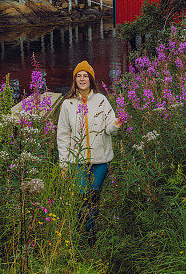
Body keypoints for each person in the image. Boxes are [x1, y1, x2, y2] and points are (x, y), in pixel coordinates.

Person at [56, 60, 122, 246]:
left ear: (91, 79)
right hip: (77, 161)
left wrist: (116, 125)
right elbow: (63, 136)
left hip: (101, 160)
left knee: (94, 194)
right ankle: (83, 230)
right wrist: (64, 164)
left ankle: (89, 234)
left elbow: (110, 129)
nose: (82, 79)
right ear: (74, 79)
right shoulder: (67, 104)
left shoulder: (101, 101)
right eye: (79, 76)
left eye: (86, 76)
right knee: (82, 196)